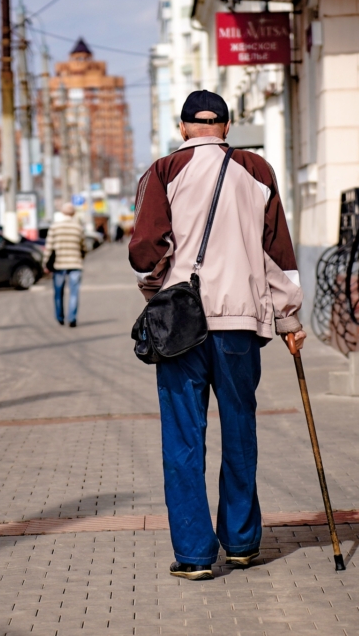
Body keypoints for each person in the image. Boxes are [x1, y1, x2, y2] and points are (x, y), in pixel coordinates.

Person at [128, 90, 307, 581]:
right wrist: (289, 319)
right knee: (240, 432)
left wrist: (158, 287)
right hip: (241, 327)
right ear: (227, 126)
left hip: (183, 326)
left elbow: (146, 249)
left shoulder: (163, 171)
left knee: (184, 440)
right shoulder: (258, 171)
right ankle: (244, 544)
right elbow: (277, 256)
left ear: (183, 127)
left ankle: (194, 555)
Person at [47, 202, 86, 327]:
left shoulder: (55, 227)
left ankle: (60, 317)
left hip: (59, 264)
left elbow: (49, 247)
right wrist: (81, 256)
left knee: (58, 292)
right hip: (75, 263)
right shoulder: (78, 227)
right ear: (73, 213)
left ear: (62, 213)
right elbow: (83, 246)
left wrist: (45, 263)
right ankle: (72, 318)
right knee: (74, 292)